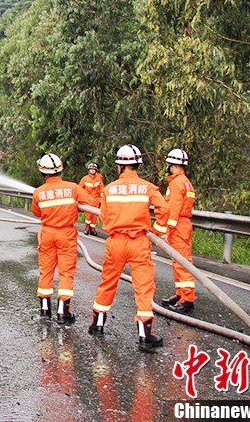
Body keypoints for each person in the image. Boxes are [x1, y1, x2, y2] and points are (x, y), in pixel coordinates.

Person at [89, 144, 168, 352]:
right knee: (143, 285)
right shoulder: (147, 188)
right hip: (139, 242)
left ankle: (98, 323)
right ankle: (144, 333)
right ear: (137, 165)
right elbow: (164, 209)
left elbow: (104, 218)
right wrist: (157, 231)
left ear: (119, 167)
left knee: (108, 281)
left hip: (115, 242)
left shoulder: (109, 189)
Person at [32, 153, 89, 324]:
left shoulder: (39, 192)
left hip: (47, 234)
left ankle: (44, 309)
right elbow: (90, 202)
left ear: (42, 172)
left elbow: (36, 212)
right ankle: (63, 312)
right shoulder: (72, 188)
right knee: (66, 271)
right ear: (60, 170)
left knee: (46, 269)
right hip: (66, 234)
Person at [157, 148, 197, 315]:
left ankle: (187, 299)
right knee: (178, 261)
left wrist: (167, 229)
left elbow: (173, 209)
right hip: (183, 224)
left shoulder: (176, 183)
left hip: (179, 226)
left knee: (182, 263)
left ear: (172, 165)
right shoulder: (186, 182)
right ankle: (181, 295)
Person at [78, 162, 105, 235]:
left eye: (93, 169)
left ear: (96, 170)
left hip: (96, 199)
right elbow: (79, 189)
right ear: (89, 170)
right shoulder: (85, 179)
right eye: (91, 169)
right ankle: (87, 227)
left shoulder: (99, 179)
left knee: (94, 215)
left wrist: (102, 198)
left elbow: (102, 189)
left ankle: (93, 229)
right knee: (88, 214)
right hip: (88, 199)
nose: (92, 171)